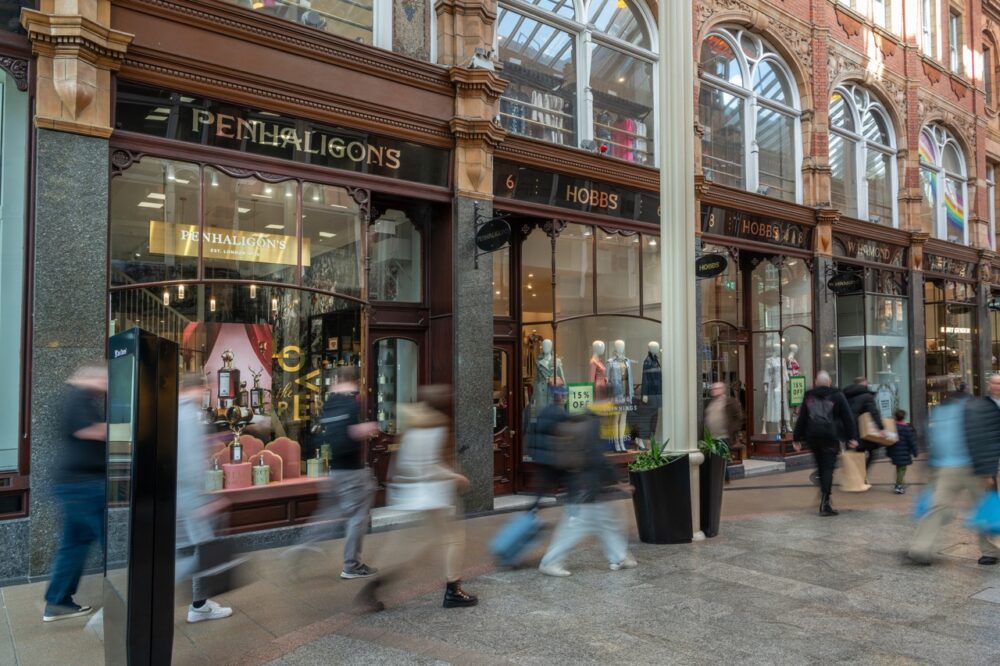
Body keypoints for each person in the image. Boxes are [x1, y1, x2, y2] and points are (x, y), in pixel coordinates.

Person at [355, 385, 477, 611]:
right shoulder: (435, 426)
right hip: (431, 494)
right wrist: (454, 476)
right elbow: (429, 466)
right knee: (452, 538)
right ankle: (453, 591)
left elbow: (406, 463)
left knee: (409, 543)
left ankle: (375, 586)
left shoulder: (412, 425)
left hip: (413, 492)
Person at [291, 366, 379, 579]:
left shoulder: (329, 403)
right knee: (359, 516)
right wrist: (368, 429)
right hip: (353, 471)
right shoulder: (352, 402)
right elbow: (351, 433)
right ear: (356, 380)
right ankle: (351, 565)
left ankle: (304, 544)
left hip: (334, 470)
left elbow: (326, 435)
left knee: (329, 514)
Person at [538, 408, 636, 577]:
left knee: (605, 523)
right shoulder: (591, 429)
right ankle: (550, 561)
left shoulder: (579, 426)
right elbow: (598, 458)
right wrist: (618, 481)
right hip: (585, 487)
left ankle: (619, 556)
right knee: (574, 527)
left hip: (583, 486)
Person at [43, 365, 107, 622]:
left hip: (76, 484)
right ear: (89, 378)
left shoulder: (80, 398)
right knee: (113, 544)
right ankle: (131, 595)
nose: (105, 385)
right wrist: (123, 428)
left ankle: (57, 601)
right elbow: (87, 430)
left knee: (74, 545)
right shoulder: (79, 397)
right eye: (103, 379)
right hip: (84, 485)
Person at [908, 390, 999, 566]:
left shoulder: (971, 408)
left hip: (971, 468)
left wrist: (988, 472)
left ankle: (991, 550)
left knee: (983, 508)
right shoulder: (939, 411)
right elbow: (934, 441)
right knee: (940, 507)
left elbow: (984, 439)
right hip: (950, 469)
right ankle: (921, 548)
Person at [176, 374, 233, 623]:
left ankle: (199, 604)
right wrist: (203, 500)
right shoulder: (189, 415)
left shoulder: (172, 412)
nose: (205, 394)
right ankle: (198, 607)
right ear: (197, 388)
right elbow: (189, 461)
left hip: (177, 495)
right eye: (205, 389)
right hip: (189, 496)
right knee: (200, 552)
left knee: (189, 552)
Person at [792, 371, 856, 517]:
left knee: (821, 466)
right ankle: (825, 501)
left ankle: (825, 496)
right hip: (829, 437)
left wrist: (796, 438)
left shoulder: (809, 395)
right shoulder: (837, 395)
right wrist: (852, 437)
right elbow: (848, 417)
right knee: (828, 468)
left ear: (815, 382)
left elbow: (802, 418)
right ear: (830, 381)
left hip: (813, 437)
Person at [961, 373, 1000, 565]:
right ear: (988, 385)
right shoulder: (981, 407)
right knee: (987, 507)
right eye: (994, 383)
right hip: (988, 465)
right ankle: (989, 552)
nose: (997, 387)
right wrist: (984, 470)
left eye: (999, 383)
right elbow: (975, 438)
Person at [842, 376, 887, 472]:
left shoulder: (846, 395)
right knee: (871, 453)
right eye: (867, 383)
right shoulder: (867, 396)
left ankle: (857, 475)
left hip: (850, 430)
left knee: (858, 452)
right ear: (864, 384)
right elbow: (874, 412)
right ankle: (861, 475)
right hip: (863, 430)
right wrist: (881, 427)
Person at [704, 382, 744, 451]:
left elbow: (739, 417)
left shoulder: (730, 402)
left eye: (716, 388)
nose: (713, 390)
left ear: (722, 390)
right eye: (713, 389)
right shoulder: (710, 403)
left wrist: (733, 430)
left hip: (724, 437)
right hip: (712, 438)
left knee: (723, 459)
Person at [887, 409, 918, 495]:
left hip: (895, 453)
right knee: (902, 469)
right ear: (903, 417)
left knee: (899, 469)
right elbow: (912, 442)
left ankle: (900, 483)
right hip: (904, 453)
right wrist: (915, 452)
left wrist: (889, 452)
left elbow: (888, 441)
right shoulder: (907, 428)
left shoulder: (893, 428)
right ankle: (898, 486)